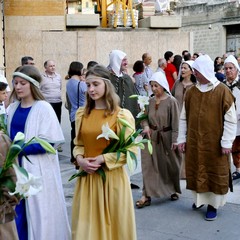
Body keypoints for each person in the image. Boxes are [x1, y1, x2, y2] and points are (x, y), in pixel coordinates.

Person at [71, 64, 137, 240]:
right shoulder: (82, 114)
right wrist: (80, 160)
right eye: (88, 85)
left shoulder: (121, 115)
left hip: (112, 180)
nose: (91, 89)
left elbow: (130, 150)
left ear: (106, 85)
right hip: (88, 180)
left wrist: (103, 158)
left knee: (114, 228)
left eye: (95, 84)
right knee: (86, 230)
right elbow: (78, 144)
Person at [7, 65, 71, 239]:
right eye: (16, 83)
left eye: (22, 83)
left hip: (37, 171)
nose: (18, 87)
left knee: (38, 212)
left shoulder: (44, 108)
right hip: (14, 170)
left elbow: (50, 142)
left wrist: (18, 149)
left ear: (32, 85)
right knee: (17, 212)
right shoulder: (11, 108)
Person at [177, 54, 237, 221]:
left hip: (216, 143)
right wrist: (182, 138)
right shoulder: (191, 92)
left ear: (204, 71)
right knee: (197, 170)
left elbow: (231, 120)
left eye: (197, 71)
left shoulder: (222, 91)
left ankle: (213, 205)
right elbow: (183, 118)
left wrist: (226, 142)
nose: (195, 74)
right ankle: (200, 200)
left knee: (214, 172)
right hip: (196, 141)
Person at [136, 71, 182, 208]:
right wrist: (145, 126)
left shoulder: (171, 101)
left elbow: (176, 122)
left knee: (169, 164)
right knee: (148, 165)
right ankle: (146, 195)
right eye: (152, 86)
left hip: (167, 137)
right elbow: (143, 117)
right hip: (150, 138)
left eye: (156, 85)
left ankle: (173, 188)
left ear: (163, 85)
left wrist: (175, 140)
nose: (154, 88)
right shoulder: (149, 101)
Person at [107, 49, 140, 189]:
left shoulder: (127, 78)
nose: (126, 62)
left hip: (127, 122)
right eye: (123, 60)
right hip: (111, 121)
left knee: (127, 149)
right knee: (113, 149)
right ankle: (113, 178)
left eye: (126, 59)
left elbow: (133, 99)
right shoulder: (107, 79)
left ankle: (127, 178)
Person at [66, 61, 87, 164]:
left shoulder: (69, 83)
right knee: (80, 139)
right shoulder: (81, 84)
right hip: (82, 114)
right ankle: (78, 158)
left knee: (74, 136)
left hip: (73, 113)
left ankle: (73, 157)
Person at [223, 55, 240, 180]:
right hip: (228, 121)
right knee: (233, 146)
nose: (228, 71)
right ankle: (236, 169)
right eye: (226, 68)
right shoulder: (222, 86)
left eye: (231, 68)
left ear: (236, 69)